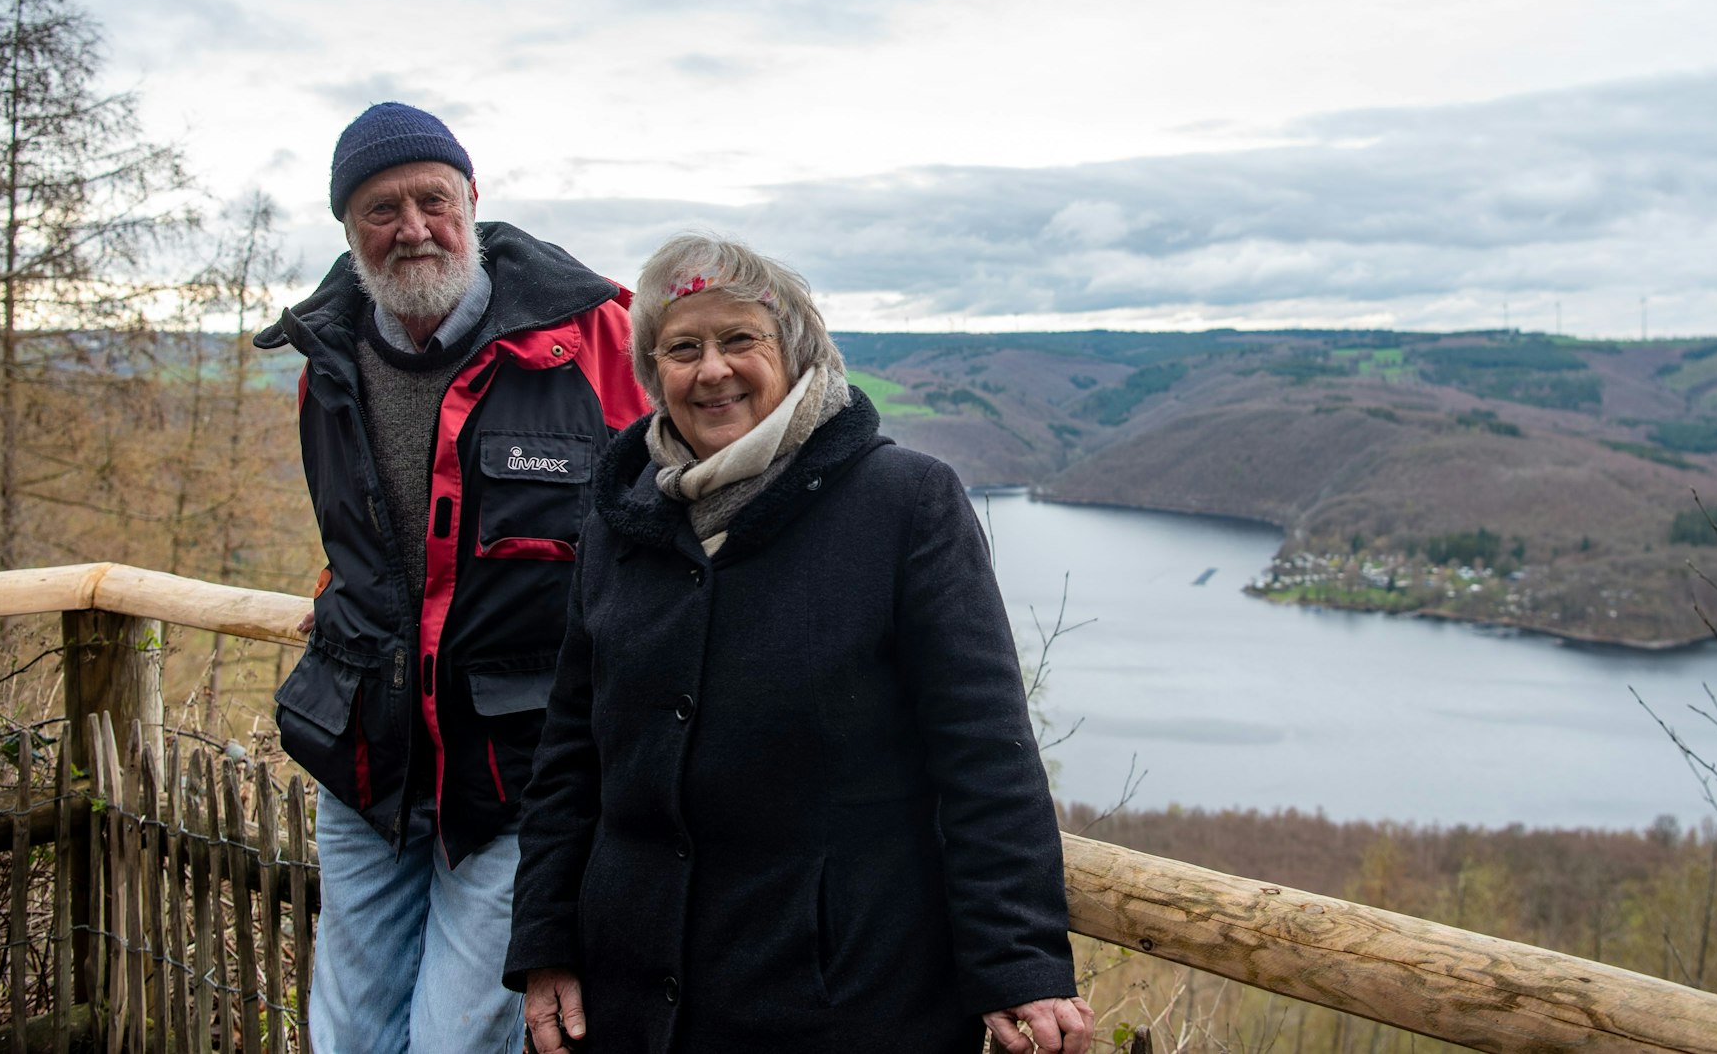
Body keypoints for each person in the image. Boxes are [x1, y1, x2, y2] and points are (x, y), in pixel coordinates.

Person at [504, 233, 1094, 1054]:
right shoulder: (620, 516)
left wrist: (1019, 960)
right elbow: (569, 750)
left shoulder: (904, 504)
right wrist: (544, 942)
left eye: (740, 338)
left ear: (795, 350)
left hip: (840, 995)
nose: (712, 369)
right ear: (653, 372)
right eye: (683, 347)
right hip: (629, 995)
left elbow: (984, 750)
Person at [255, 102, 649, 1053]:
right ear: (348, 232)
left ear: (472, 198)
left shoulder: (594, 336)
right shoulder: (327, 357)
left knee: (457, 1038)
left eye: (433, 198)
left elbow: (674, 518)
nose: (414, 227)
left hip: (516, 771)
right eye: (381, 209)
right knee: (346, 1033)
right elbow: (362, 545)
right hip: (367, 762)